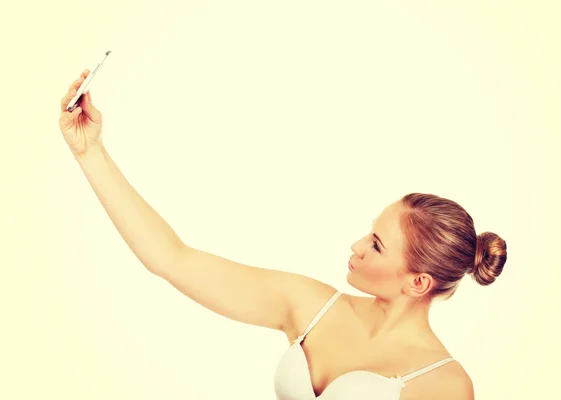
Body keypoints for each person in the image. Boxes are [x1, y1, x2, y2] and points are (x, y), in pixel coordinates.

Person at [59, 69, 508, 399]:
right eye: (367, 234)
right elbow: (172, 259)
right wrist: (90, 153)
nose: (356, 246)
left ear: (417, 281)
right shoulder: (311, 306)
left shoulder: (444, 383)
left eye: (376, 244)